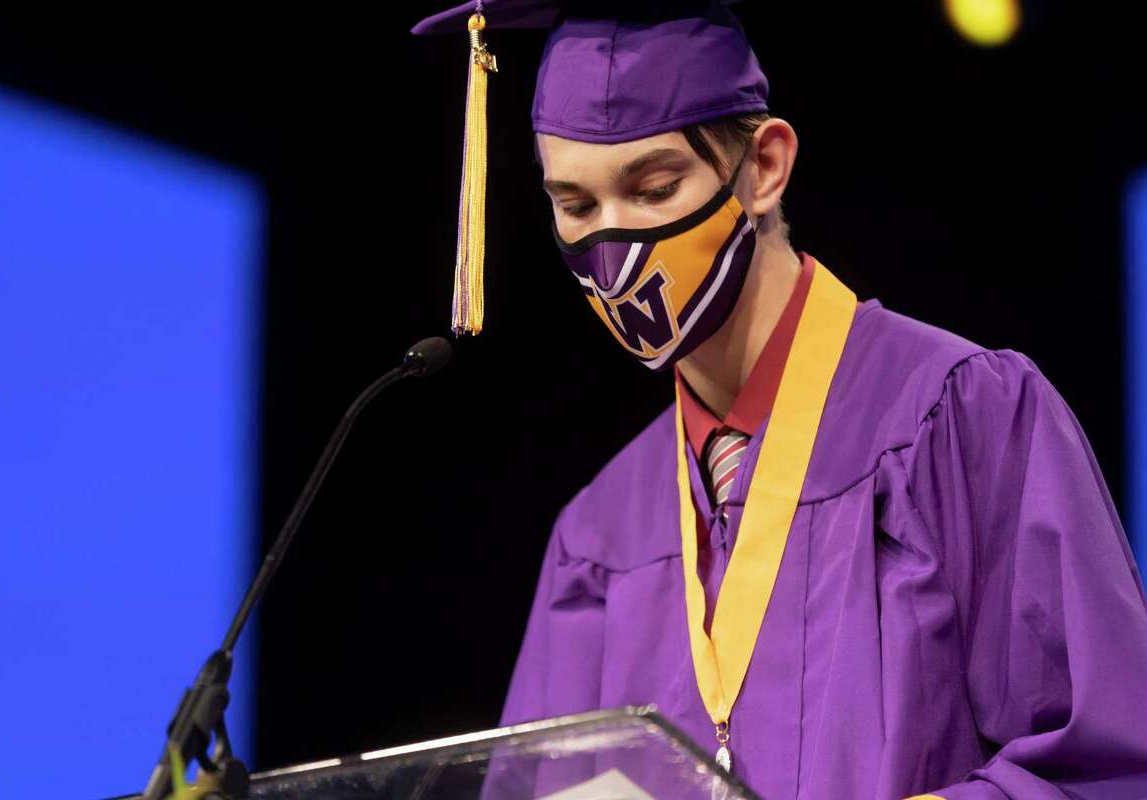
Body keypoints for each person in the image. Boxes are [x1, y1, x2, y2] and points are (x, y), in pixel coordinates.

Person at [413, 1, 1147, 797]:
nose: (613, 245)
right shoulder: (599, 536)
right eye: (578, 207)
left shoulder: (962, 418)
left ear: (762, 167)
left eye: (654, 188)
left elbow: (1103, 763)